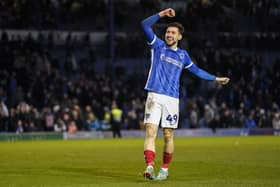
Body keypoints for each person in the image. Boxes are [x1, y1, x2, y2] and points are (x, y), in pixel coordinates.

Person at [141, 8, 230, 180]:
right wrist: (162, 14)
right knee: (151, 131)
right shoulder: (157, 46)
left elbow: (196, 71)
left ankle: (164, 169)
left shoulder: (183, 55)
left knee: (168, 135)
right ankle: (150, 166)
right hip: (154, 95)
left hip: (172, 99)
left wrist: (215, 78)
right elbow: (144, 25)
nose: (169, 35)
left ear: (179, 37)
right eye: (168, 32)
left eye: (173, 33)